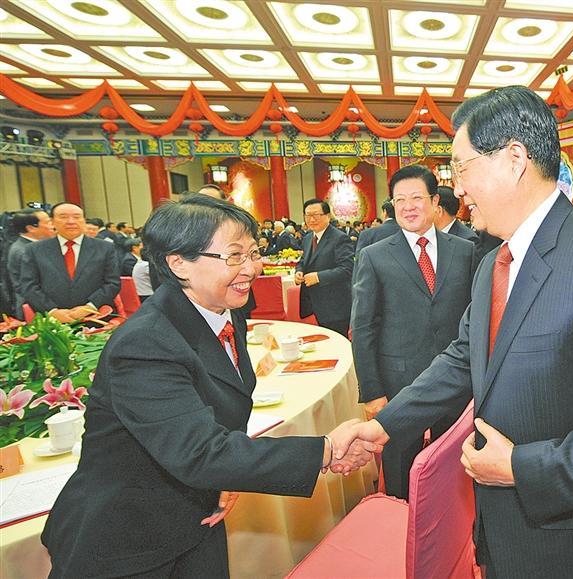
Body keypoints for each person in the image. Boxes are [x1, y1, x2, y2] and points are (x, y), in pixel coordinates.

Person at [343, 86, 573, 578]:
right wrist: (383, 427)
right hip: (504, 532)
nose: (457, 190)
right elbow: (462, 357)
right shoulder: (493, 263)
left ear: (513, 159)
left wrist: (522, 468)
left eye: (461, 168)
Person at [41, 194, 379, 578]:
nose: (252, 268)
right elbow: (200, 451)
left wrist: (225, 475)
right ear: (178, 263)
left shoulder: (225, 312)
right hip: (126, 541)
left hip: (196, 515)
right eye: (234, 256)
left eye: (253, 253)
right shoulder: (146, 343)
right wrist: (327, 450)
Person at [351, 164, 475, 499]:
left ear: (434, 202)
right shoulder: (374, 256)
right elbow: (363, 327)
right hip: (398, 384)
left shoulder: (465, 250)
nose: (408, 207)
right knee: (400, 467)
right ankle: (401, 519)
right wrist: (372, 391)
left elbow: (473, 316)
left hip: (454, 381)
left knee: (452, 462)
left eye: (416, 198)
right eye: (400, 200)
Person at [19, 202, 121, 323]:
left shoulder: (105, 248)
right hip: (52, 322)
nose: (71, 221)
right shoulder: (34, 250)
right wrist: (52, 311)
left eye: (77, 217)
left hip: (96, 318)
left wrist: (90, 307)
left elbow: (112, 283)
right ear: (52, 222)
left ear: (84, 221)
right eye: (63, 217)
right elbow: (29, 285)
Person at [295, 198, 354, 336]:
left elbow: (347, 269)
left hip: (335, 306)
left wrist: (318, 277)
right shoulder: (308, 238)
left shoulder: (339, 238)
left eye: (316, 215)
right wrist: (299, 271)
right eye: (308, 215)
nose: (311, 219)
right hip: (315, 303)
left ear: (327, 216)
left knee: (337, 341)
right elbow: (303, 261)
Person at [6, 208, 55, 317]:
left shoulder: (39, 245)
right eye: (48, 222)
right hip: (37, 310)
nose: (53, 225)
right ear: (31, 228)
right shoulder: (23, 251)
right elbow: (28, 287)